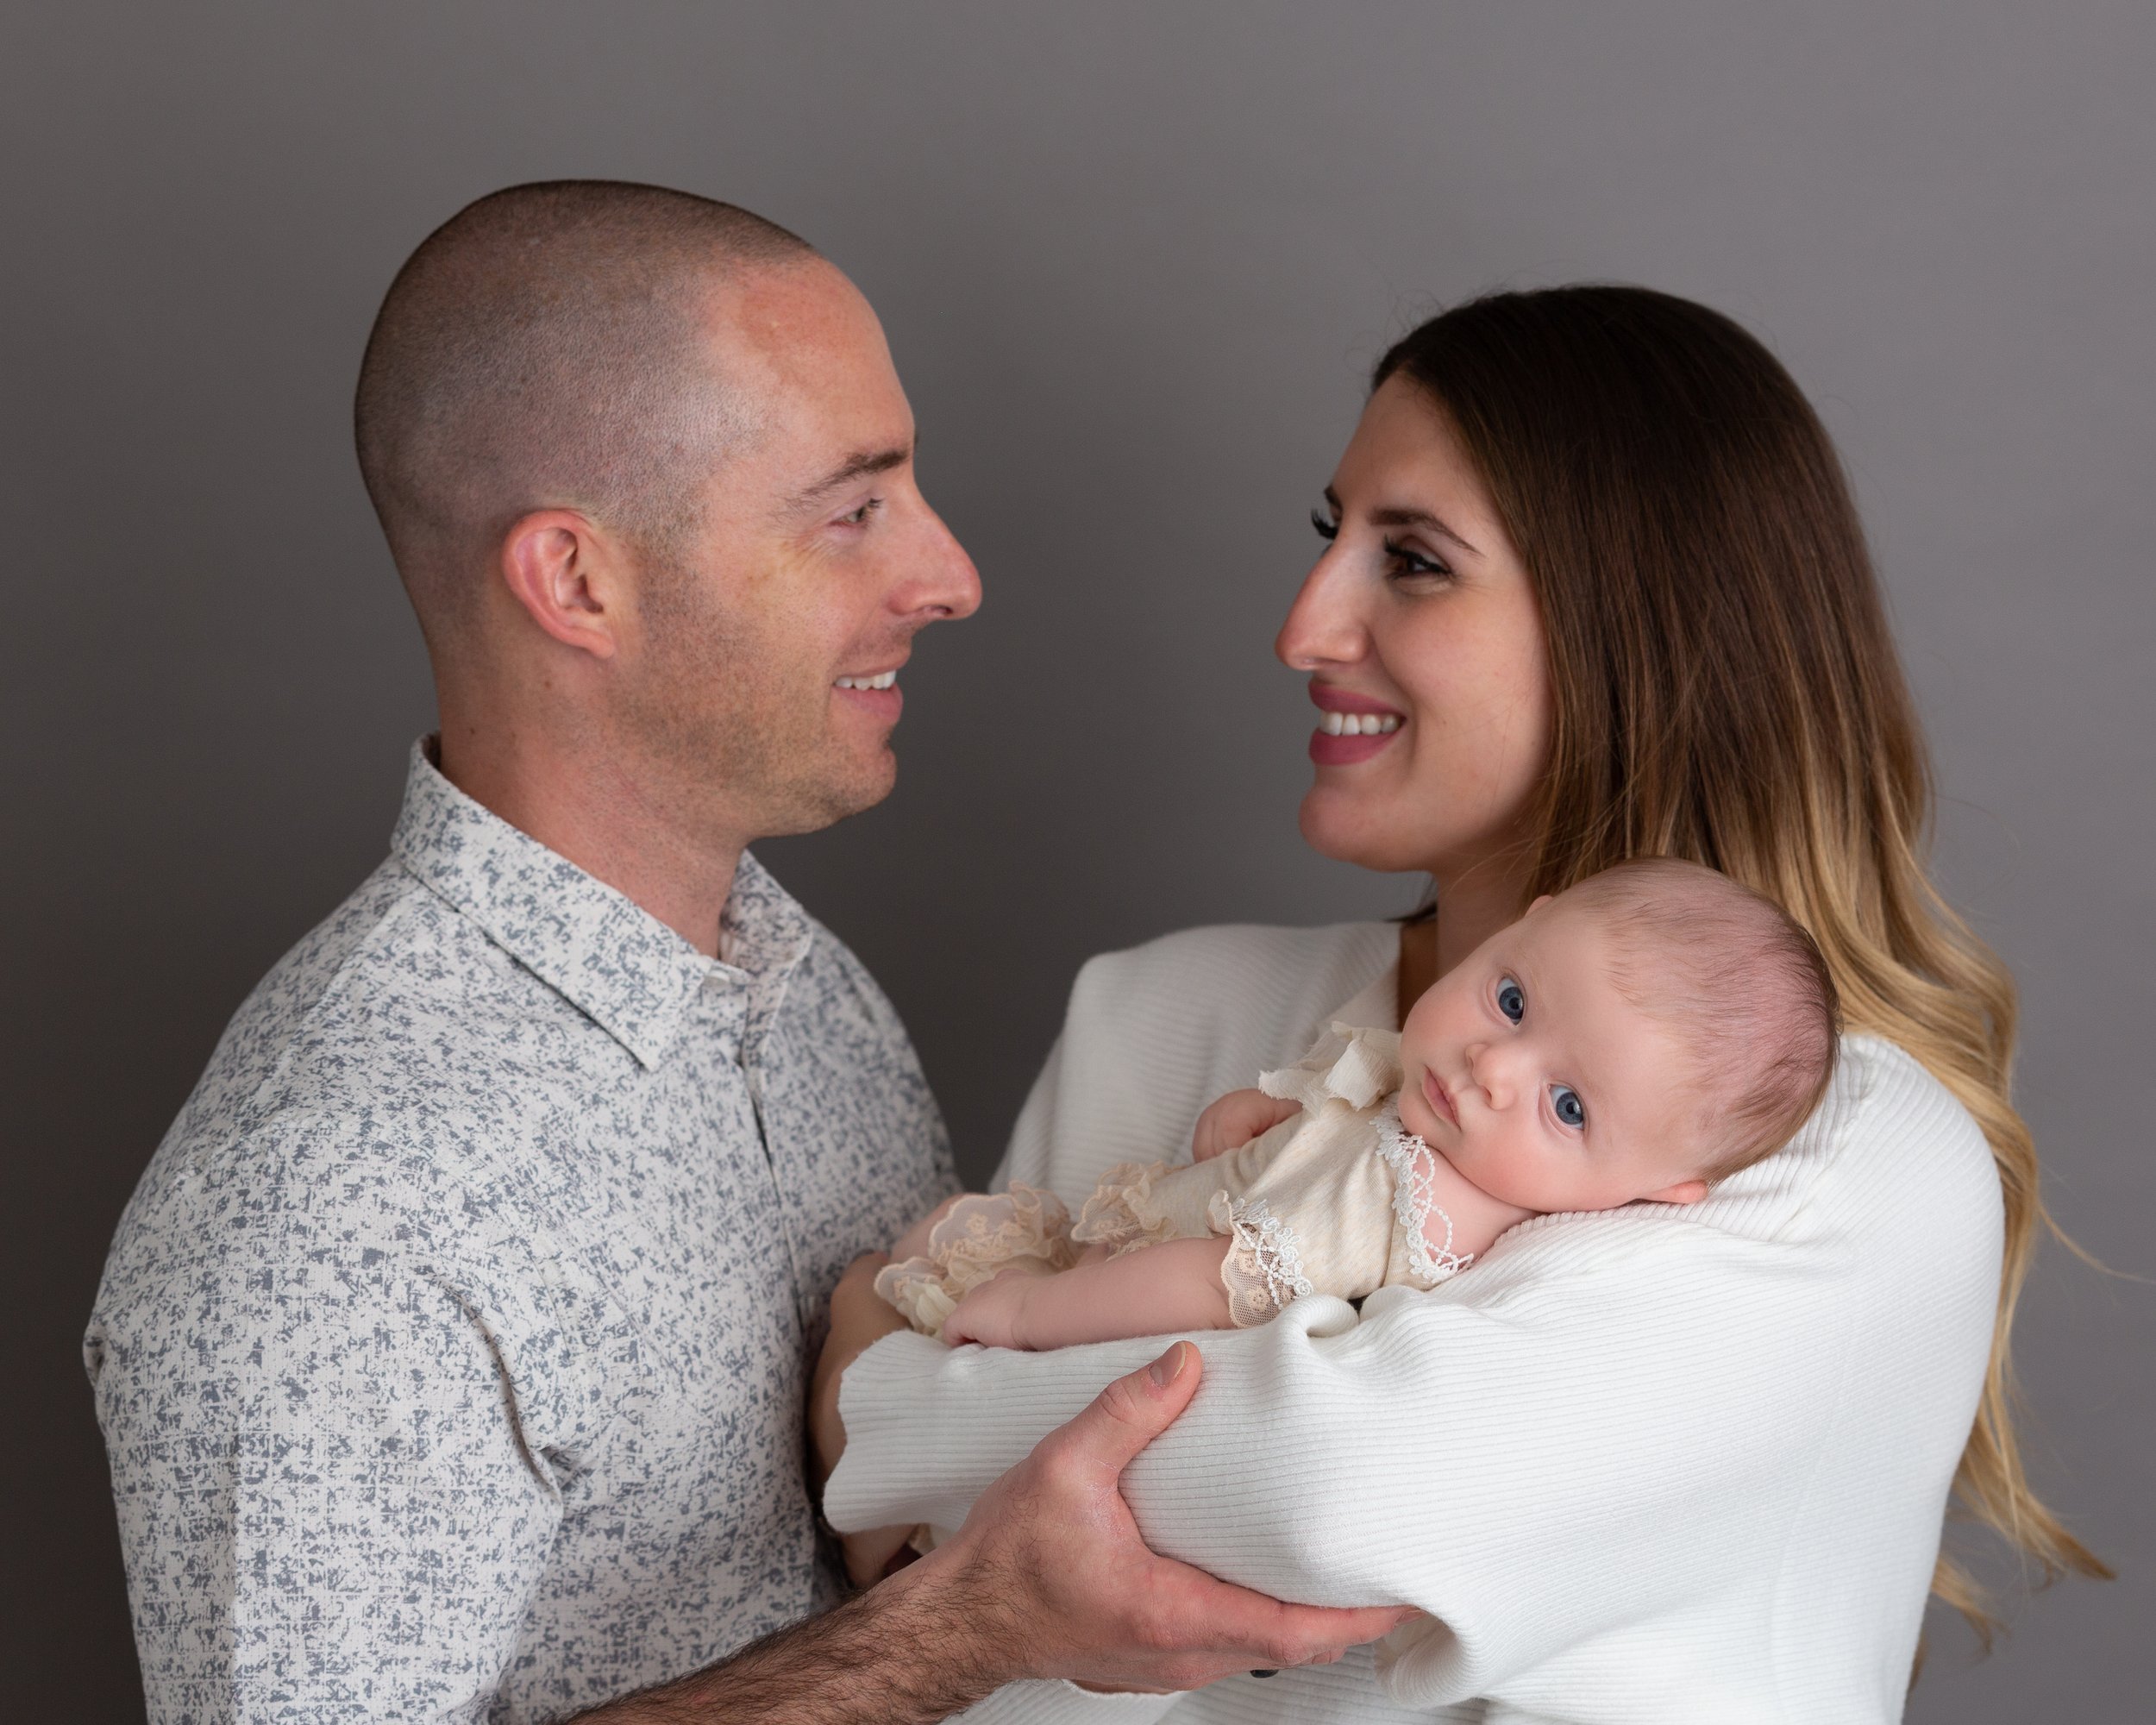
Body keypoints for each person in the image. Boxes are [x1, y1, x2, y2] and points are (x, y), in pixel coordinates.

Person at [81, 181, 1407, 1725]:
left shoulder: (812, 994)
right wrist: (960, 1632)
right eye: (852, 511)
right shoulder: (332, 1207)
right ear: (576, 580)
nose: (950, 574)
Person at [818, 285, 2110, 1722]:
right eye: (1333, 537)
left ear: (1645, 633)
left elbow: (1329, 1493)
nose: (1305, 626)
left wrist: (876, 1386)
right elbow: (951, 1626)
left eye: (1415, 562)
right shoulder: (1160, 1008)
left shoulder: (1838, 1147)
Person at [875, 860, 1837, 1352]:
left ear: (1662, 1188)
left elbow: (1217, 1284)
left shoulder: (1415, 1202)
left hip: (1094, 1319)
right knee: (906, 1251)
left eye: (1570, 1107)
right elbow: (1322, 1120)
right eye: (1511, 999)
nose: (1492, 1066)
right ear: (1523, 924)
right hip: (1112, 1265)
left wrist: (1036, 1313)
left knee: (921, 1272)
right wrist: (1252, 1122)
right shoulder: (1433, 1105)